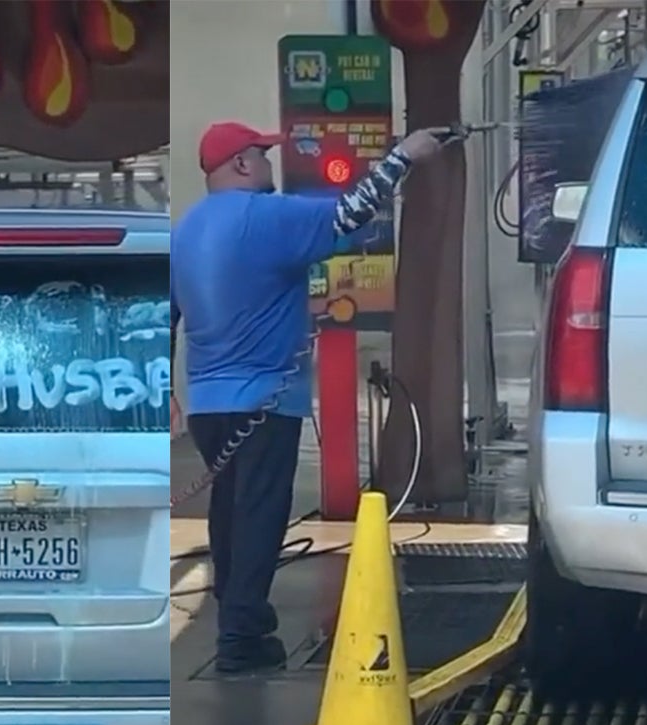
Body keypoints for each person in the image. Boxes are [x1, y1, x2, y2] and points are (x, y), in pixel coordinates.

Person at [169, 121, 451, 673]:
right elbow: (351, 212)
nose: (272, 165)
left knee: (229, 511)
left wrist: (164, 392)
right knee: (258, 514)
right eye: (264, 154)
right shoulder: (265, 216)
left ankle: (239, 616)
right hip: (264, 403)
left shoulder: (185, 231)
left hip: (208, 403)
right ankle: (241, 641)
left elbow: (164, 315)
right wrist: (404, 156)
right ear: (243, 164)